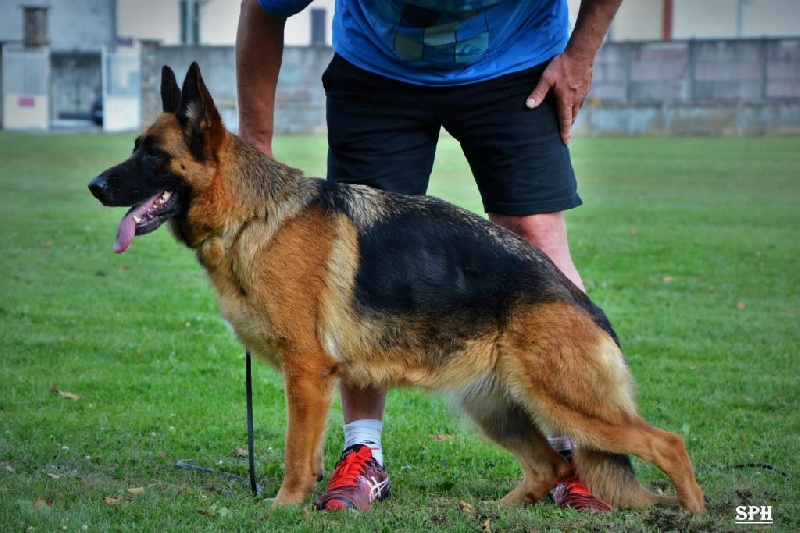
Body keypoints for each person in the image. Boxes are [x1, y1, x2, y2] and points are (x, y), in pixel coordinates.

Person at [236, 0, 622, 513]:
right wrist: (255, 144)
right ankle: (362, 452)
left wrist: (581, 53)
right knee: (359, 255)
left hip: (516, 59)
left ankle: (576, 457)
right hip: (378, 67)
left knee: (537, 236)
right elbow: (264, 8)